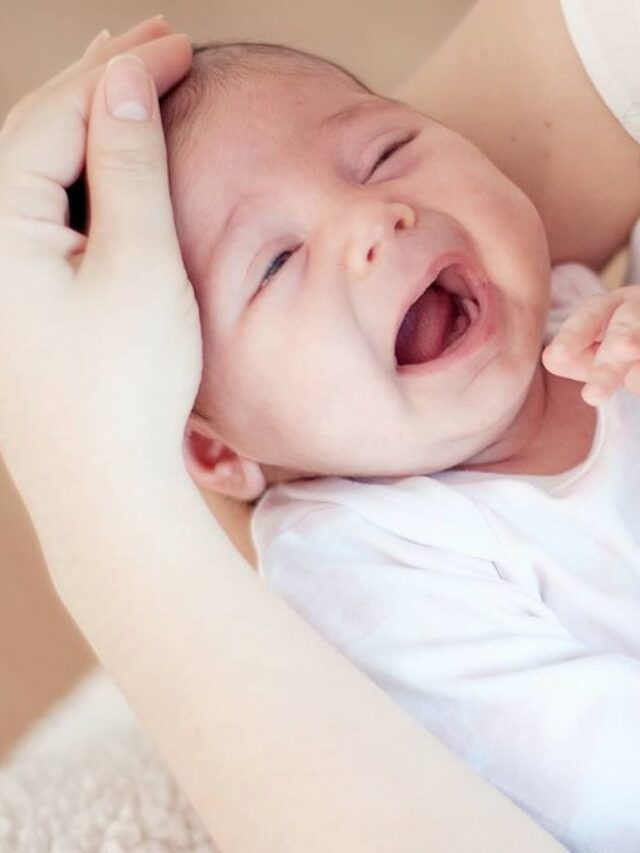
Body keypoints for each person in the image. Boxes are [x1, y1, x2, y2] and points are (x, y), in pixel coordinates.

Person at [0, 3, 637, 851]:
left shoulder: (580, 310)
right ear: (216, 449)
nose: (375, 220)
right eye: (275, 263)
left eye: (387, 153)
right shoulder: (361, 562)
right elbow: (604, 790)